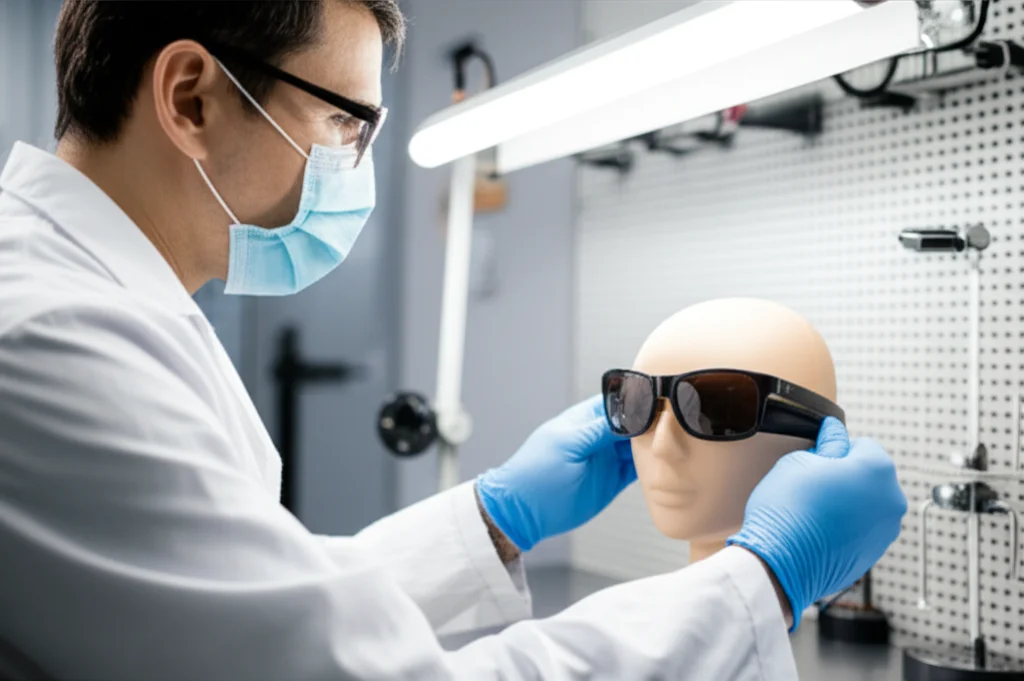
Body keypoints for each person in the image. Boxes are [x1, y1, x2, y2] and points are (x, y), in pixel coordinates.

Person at [0, 2, 907, 679]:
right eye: (344, 123)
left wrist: (493, 523)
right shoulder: (52, 339)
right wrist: (763, 581)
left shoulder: (88, 303)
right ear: (192, 98)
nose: (356, 167)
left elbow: (241, 605)